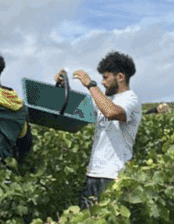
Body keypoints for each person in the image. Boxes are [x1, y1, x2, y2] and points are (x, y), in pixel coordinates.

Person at [56, 51, 141, 209]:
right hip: (94, 173)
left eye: (105, 77)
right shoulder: (105, 100)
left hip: (114, 175)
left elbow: (112, 112)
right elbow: (76, 109)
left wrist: (90, 84)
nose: (102, 82)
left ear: (120, 77)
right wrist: (62, 86)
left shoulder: (131, 99)